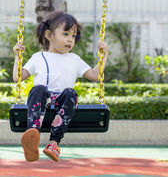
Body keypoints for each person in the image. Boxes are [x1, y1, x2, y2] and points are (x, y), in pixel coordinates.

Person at [13, 11, 108, 163]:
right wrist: (18, 57)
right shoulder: (38, 57)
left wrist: (104, 56)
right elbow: (18, 77)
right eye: (65, 34)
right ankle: (33, 135)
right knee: (39, 88)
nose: (70, 39)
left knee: (71, 93)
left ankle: (53, 143)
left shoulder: (74, 59)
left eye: (73, 36)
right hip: (42, 100)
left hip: (62, 103)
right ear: (49, 35)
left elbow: (96, 76)